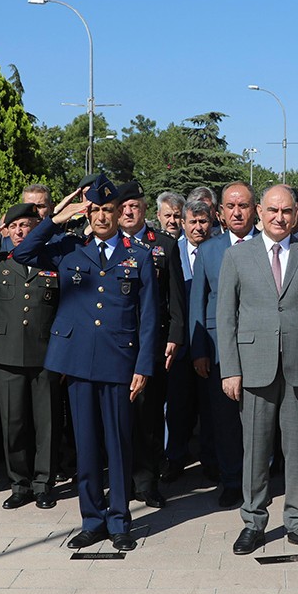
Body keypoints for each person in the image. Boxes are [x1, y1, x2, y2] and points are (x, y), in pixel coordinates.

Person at [13, 175, 157, 552]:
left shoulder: (137, 254)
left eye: (108, 210)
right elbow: (23, 253)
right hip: (77, 363)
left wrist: (143, 366)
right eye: (94, 210)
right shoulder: (68, 249)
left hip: (119, 362)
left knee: (119, 445)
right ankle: (92, 519)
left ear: (119, 213)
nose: (101, 217)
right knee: (87, 445)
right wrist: (55, 218)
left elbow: (149, 317)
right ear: (86, 213)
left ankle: (120, 520)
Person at [219, 185, 298, 555]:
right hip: (254, 367)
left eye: (286, 211)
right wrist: (230, 369)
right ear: (258, 211)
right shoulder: (237, 257)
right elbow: (226, 318)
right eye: (272, 210)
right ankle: (253, 520)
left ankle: (297, 522)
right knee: (255, 448)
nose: (279, 217)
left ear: (297, 212)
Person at [0, 202, 63, 509]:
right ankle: (19, 484)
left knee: (47, 424)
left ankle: (44, 483)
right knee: (12, 423)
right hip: (6, 355)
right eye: (14, 227)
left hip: (46, 354)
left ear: (36, 228)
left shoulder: (52, 260)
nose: (19, 232)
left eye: (26, 226)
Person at [115, 181, 186, 509]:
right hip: (114, 344)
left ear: (145, 211)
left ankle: (147, 483)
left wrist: (174, 336)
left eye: (134, 206)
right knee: (118, 416)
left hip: (151, 343)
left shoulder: (165, 246)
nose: (128, 212)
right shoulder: (106, 244)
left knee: (150, 417)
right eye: (123, 207)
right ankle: (119, 481)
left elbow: (174, 297)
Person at [189, 182, 259, 508]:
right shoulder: (209, 250)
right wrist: (199, 350)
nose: (236, 212)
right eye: (230, 206)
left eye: (242, 205)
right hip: (219, 349)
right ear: (220, 212)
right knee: (226, 420)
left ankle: (257, 480)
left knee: (259, 419)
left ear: (254, 208)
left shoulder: (270, 245)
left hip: (261, 347)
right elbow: (198, 303)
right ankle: (232, 481)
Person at [163, 200, 215, 483]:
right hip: (180, 345)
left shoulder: (220, 249)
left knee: (210, 408)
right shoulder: (172, 250)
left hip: (211, 342)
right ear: (183, 223)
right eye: (192, 222)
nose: (198, 227)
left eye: (203, 221)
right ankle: (175, 458)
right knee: (178, 407)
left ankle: (210, 459)